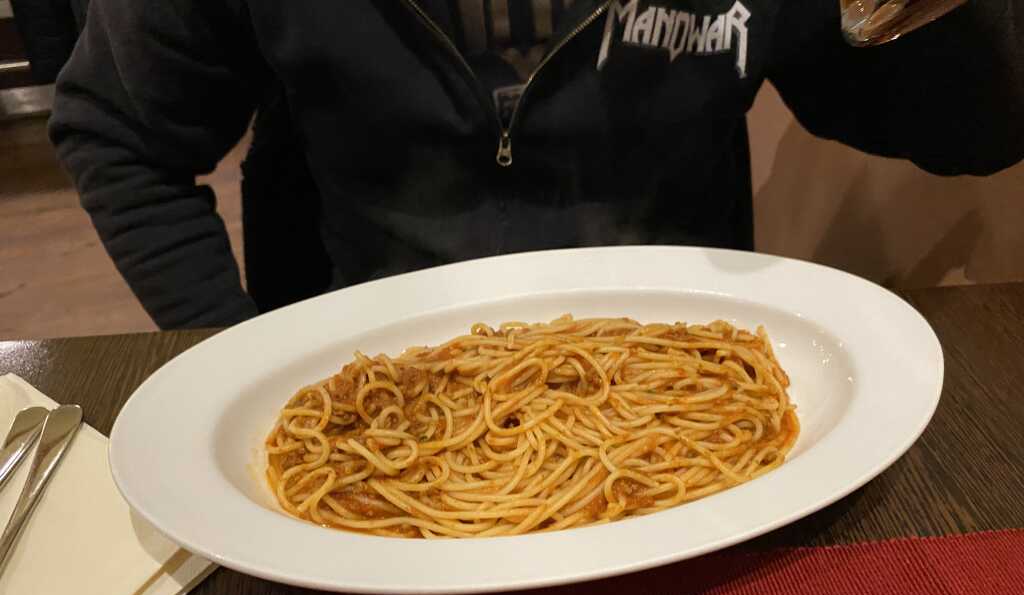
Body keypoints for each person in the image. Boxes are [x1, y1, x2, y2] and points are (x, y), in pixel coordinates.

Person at [49, 1, 1024, 329]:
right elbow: (119, 131)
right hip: (369, 395)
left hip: (688, 395)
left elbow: (970, 129)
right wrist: (234, 364)